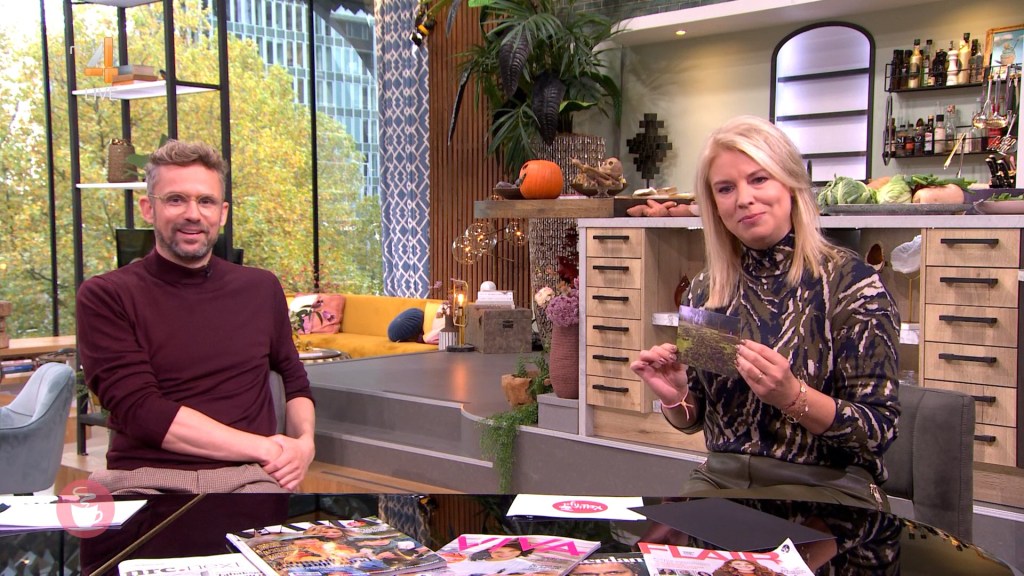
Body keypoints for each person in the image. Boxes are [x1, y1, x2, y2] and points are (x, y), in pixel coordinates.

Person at [630, 116, 900, 510]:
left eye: (759, 179)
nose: (743, 199)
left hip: (827, 490)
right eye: (726, 188)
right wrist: (677, 396)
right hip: (722, 482)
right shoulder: (708, 291)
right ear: (714, 204)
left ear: (790, 184)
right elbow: (697, 418)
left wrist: (793, 397)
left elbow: (879, 431)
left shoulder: (851, 284)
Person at [76, 139, 315, 494]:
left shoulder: (261, 288)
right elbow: (141, 410)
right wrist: (267, 448)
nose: (193, 214)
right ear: (148, 208)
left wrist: (304, 444)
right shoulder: (106, 295)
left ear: (223, 212)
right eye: (176, 199)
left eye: (206, 201)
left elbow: (294, 380)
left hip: (249, 479)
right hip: (146, 479)